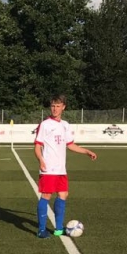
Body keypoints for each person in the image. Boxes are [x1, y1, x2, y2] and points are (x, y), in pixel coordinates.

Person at [34, 94, 97, 238]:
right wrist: (41, 160)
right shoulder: (45, 124)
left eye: (58, 106)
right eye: (53, 106)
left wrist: (86, 151)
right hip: (49, 169)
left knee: (63, 194)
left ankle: (58, 229)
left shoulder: (65, 125)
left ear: (63, 107)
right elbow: (37, 147)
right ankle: (41, 230)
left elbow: (71, 145)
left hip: (61, 169)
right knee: (46, 195)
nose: (55, 109)